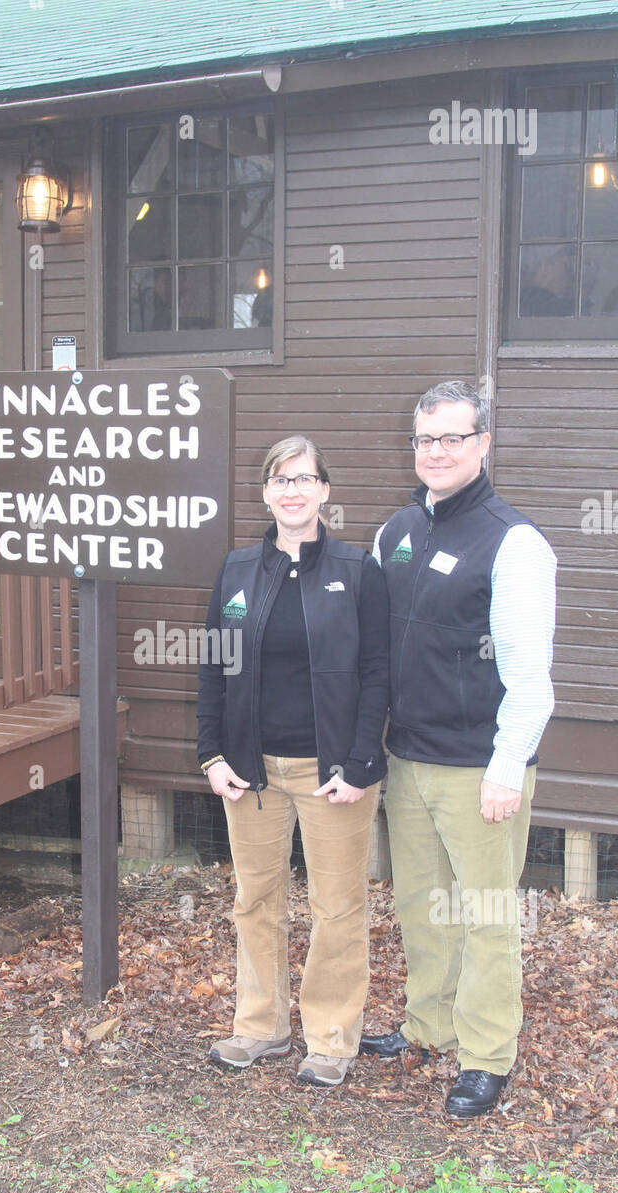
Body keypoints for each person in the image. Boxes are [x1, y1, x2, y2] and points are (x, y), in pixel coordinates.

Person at [360, 381, 557, 1118]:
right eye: (424, 439)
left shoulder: (514, 543)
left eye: (452, 437)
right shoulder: (397, 532)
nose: (436, 452)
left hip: (480, 769)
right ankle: (428, 1026)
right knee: (422, 906)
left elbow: (530, 679)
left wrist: (508, 769)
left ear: (482, 444)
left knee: (483, 913)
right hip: (409, 760)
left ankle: (485, 1055)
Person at [197, 435, 389, 1087]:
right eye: (280, 479)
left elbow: (376, 673)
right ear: (266, 492)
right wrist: (210, 753)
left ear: (325, 491)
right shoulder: (237, 570)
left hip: (330, 770)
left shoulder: (359, 572)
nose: (292, 490)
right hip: (250, 771)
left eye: (305, 478)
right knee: (256, 900)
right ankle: (261, 1027)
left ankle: (332, 1036)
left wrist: (361, 762)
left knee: (337, 906)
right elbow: (216, 666)